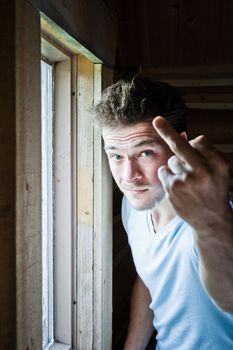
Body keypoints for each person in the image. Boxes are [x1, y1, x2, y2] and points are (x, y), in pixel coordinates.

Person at [94, 76, 233, 350]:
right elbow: (149, 281)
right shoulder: (133, 205)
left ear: (178, 145)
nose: (129, 176)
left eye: (145, 152)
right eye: (117, 156)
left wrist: (212, 224)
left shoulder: (215, 217)